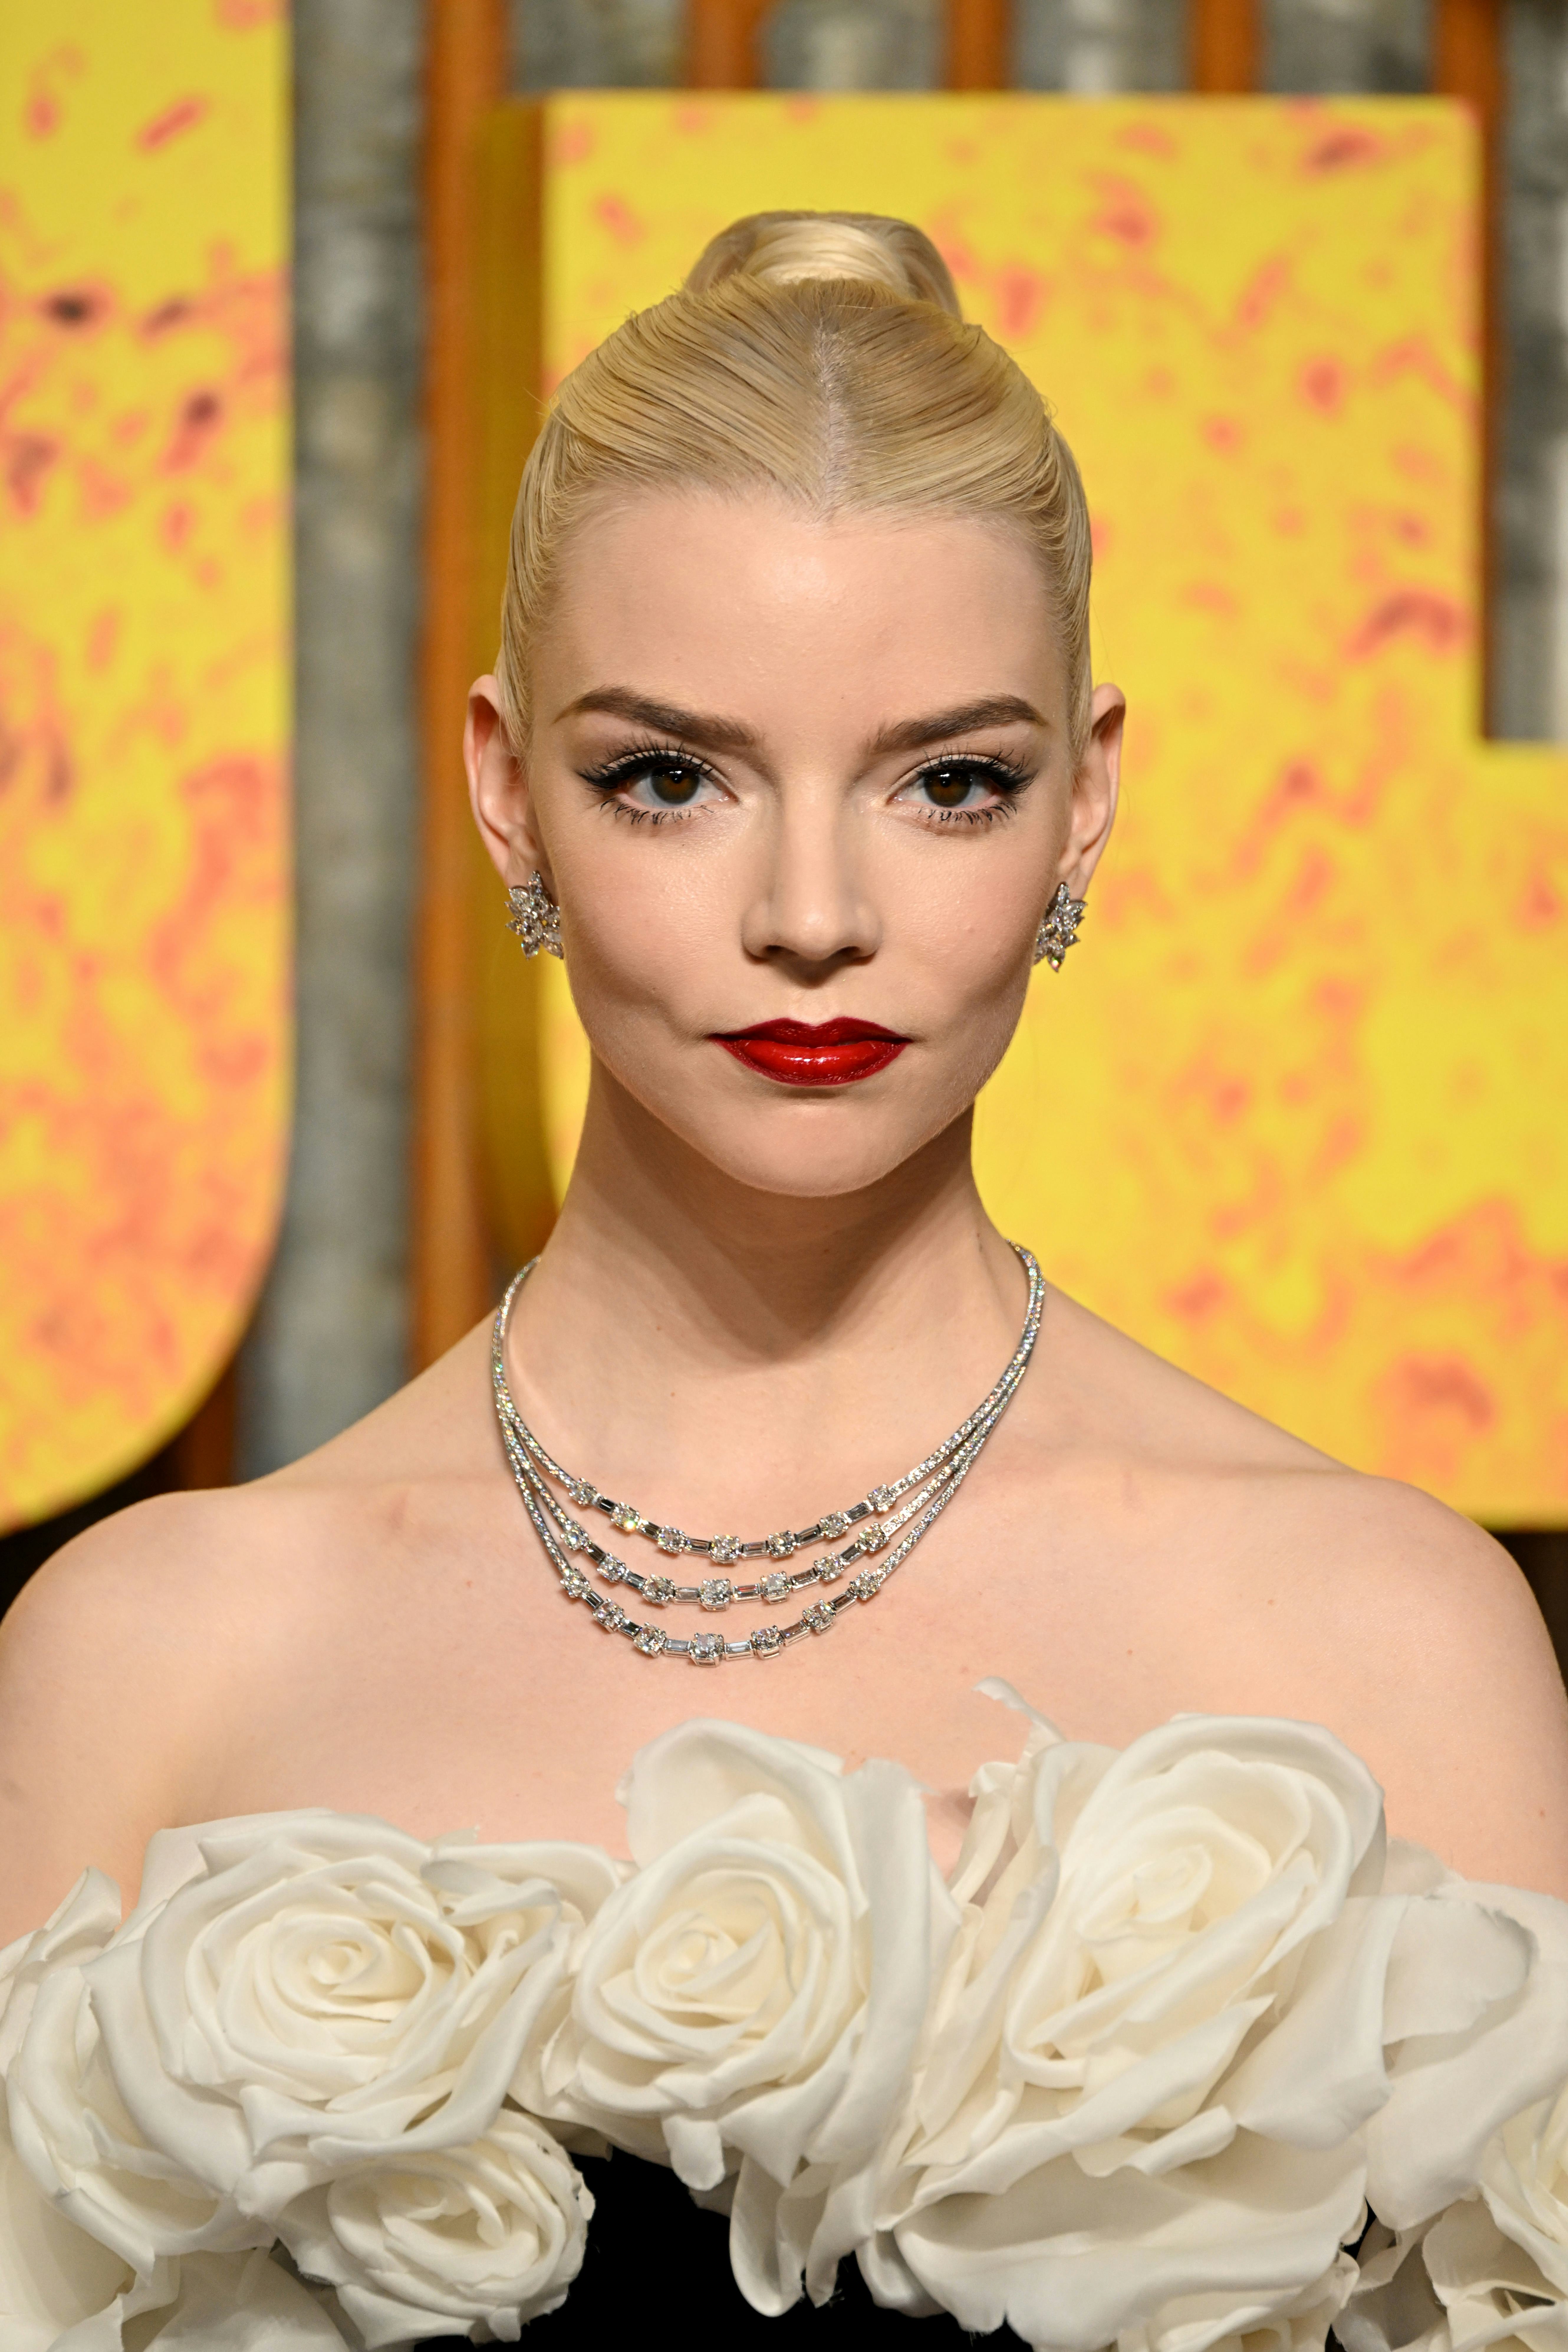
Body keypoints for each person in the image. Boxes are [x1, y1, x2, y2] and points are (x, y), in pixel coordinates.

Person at [1, 207, 1564, 1953]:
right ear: (509, 787)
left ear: (1087, 802)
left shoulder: (1389, 1642)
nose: (810, 920)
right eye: (670, 776)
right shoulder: (146, 1658)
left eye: (949, 783)